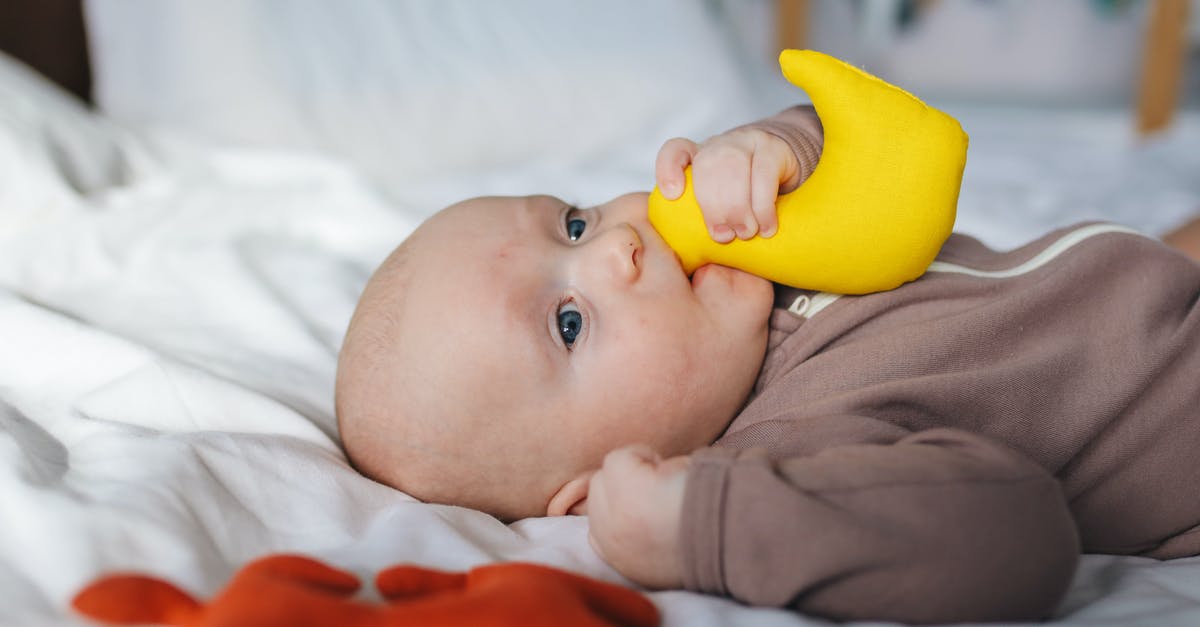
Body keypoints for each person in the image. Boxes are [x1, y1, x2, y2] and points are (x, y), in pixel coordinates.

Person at [335, 105, 1200, 624]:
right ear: (595, 485)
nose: (620, 248)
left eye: (572, 224)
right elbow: (1018, 541)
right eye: (569, 323)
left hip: (1148, 285)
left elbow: (883, 159)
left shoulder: (755, 264)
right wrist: (704, 524)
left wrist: (775, 150)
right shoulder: (791, 455)